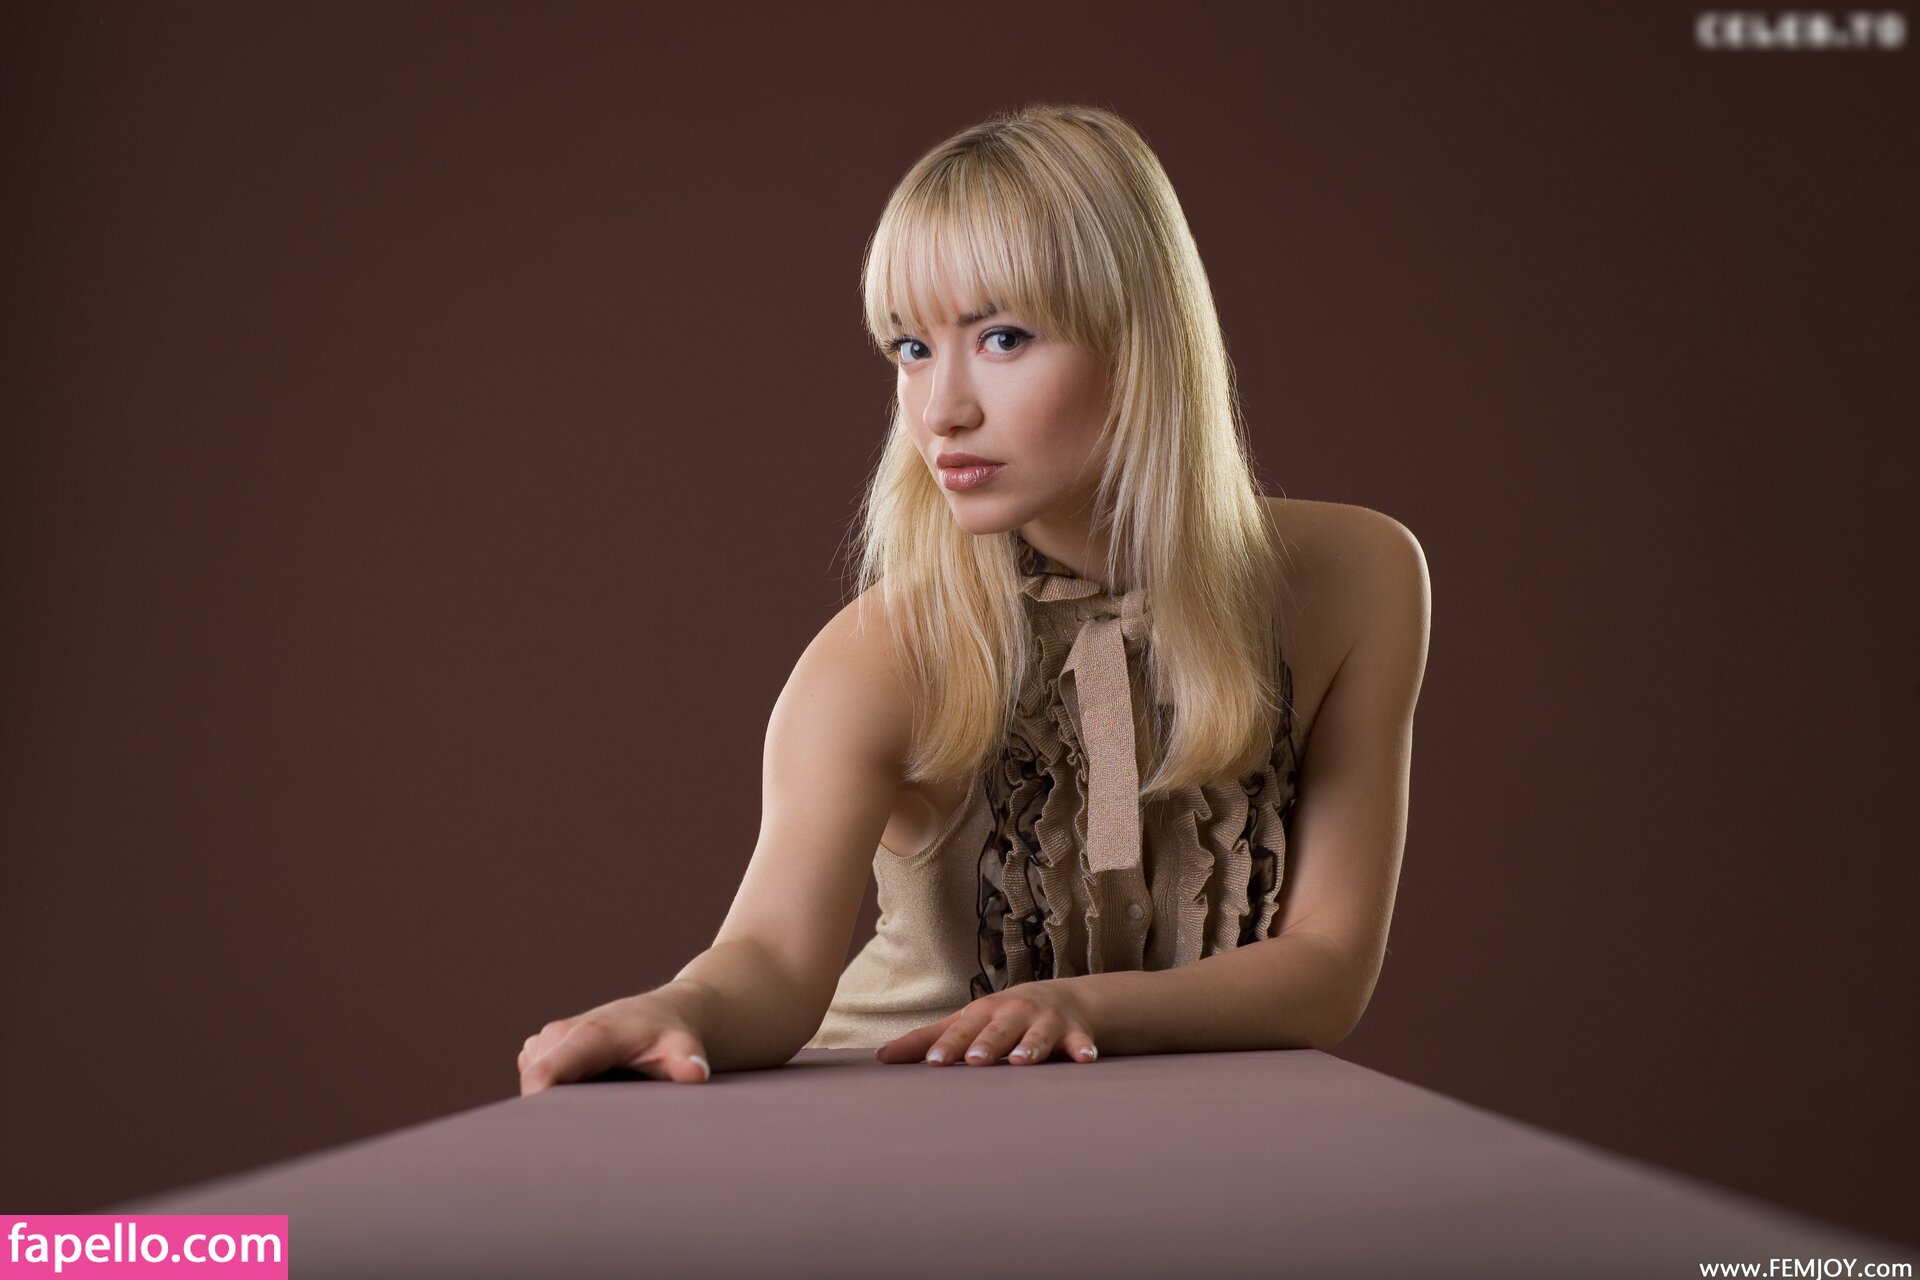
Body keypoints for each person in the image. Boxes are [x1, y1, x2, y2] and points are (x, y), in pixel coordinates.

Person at [517, 103, 1430, 1093]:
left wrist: (1088, 1008)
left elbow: (1328, 968)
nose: (941, 410)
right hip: (890, 1125)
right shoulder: (877, 657)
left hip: (1179, 1144)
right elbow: (771, 959)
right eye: (911, 348)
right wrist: (678, 1007)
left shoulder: (1360, 578)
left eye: (1002, 337)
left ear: (1142, 343)